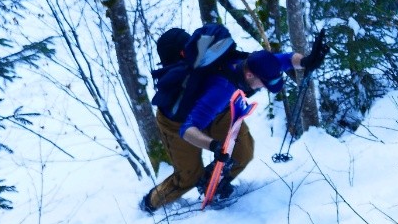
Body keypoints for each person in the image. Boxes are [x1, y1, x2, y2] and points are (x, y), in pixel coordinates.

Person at [139, 27, 327, 213]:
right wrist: (213, 146)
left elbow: (282, 60)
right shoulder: (223, 88)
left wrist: (306, 61)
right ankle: (150, 203)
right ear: (249, 75)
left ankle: (211, 183)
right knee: (188, 177)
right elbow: (187, 130)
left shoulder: (246, 62)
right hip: (178, 122)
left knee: (242, 153)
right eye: (264, 83)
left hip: (218, 112)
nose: (263, 88)